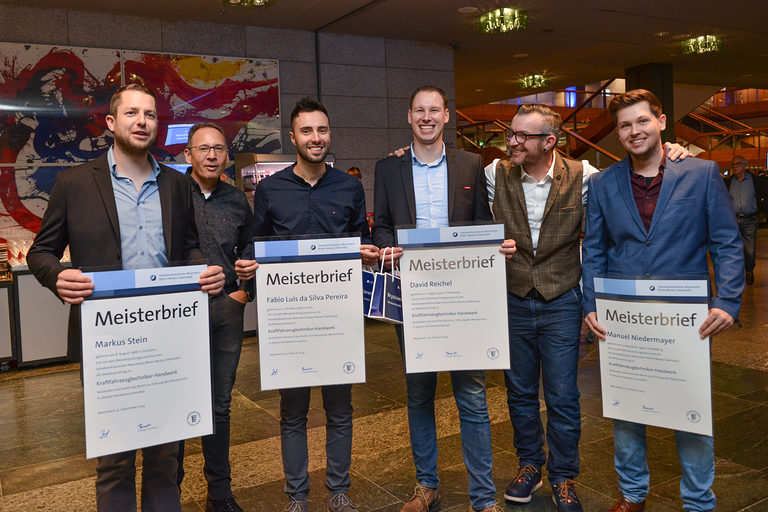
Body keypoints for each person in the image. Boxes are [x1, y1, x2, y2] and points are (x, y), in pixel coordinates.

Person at [26, 83, 225, 512]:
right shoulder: (74, 183)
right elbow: (40, 251)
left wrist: (202, 270)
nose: (142, 121)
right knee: (114, 460)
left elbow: (187, 246)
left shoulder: (175, 185)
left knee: (165, 455)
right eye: (133, 113)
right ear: (112, 123)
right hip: (109, 343)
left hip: (168, 338)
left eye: (150, 115)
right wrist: (57, 276)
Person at [485, 105, 690, 511]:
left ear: (550, 141)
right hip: (511, 298)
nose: (512, 141)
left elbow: (633, 181)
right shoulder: (494, 174)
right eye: (511, 134)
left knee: (562, 394)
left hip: (562, 299)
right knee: (519, 392)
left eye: (523, 136)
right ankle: (529, 465)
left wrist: (676, 152)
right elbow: (448, 175)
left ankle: (564, 476)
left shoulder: (586, 177)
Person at [582, 89, 744, 512]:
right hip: (624, 314)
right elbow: (594, 249)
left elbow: (727, 242)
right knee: (627, 405)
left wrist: (727, 301)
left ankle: (698, 501)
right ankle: (633, 494)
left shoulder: (702, 174)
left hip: (684, 317)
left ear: (661, 121)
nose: (634, 131)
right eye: (624, 125)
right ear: (617, 133)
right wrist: (590, 305)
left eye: (641, 121)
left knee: (689, 408)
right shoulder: (602, 184)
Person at [372, 85, 515, 512]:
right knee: (419, 395)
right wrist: (387, 248)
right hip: (414, 297)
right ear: (408, 117)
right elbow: (380, 227)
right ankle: (425, 486)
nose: (427, 117)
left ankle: (483, 496)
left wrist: (496, 246)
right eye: (420, 110)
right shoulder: (388, 168)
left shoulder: (471, 164)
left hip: (463, 298)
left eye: (435, 110)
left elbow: (484, 225)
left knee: (471, 395)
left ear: (447, 116)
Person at [238, 97, 379, 512]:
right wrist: (249, 266)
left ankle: (339, 491)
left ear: (329, 134)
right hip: (292, 320)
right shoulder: (271, 189)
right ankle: (296, 496)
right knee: (293, 412)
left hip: (340, 316)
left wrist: (367, 252)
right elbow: (257, 243)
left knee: (340, 409)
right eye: (306, 131)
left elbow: (361, 240)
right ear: (293, 137)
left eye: (322, 130)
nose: (315, 138)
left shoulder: (349, 187)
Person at [175, 122, 255, 512]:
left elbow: (252, 249)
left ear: (227, 156)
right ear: (188, 155)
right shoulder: (170, 196)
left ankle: (220, 496)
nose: (211, 155)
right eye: (202, 149)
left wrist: (244, 293)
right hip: (176, 313)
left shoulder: (237, 200)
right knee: (176, 402)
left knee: (219, 404)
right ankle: (168, 493)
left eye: (218, 149)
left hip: (225, 309)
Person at [725, 155, 768, 285]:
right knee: (733, 250)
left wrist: (762, 210)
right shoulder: (729, 182)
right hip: (732, 220)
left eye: (737, 164)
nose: (734, 167)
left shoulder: (755, 181)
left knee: (749, 250)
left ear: (744, 165)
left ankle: (749, 269)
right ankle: (736, 275)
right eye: (732, 165)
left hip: (750, 220)